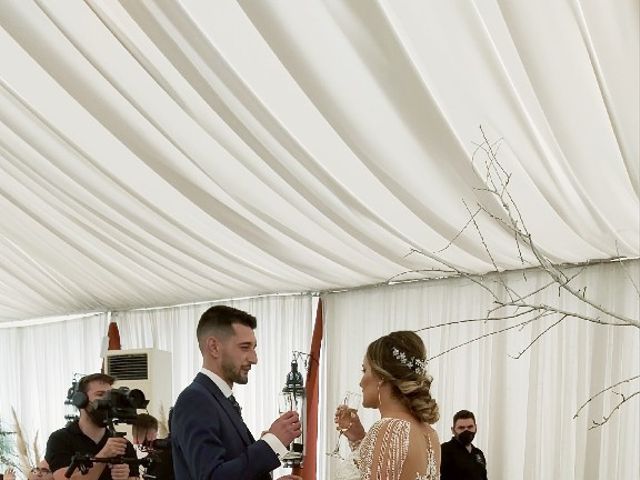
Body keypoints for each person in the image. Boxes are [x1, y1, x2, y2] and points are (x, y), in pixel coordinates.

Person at [171, 305, 302, 480]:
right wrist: (272, 443)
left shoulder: (218, 398)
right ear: (214, 347)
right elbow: (212, 476)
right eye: (245, 347)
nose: (254, 358)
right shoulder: (195, 400)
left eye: (254, 348)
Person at [336, 330, 440, 480]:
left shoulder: (390, 429)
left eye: (364, 370)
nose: (360, 382)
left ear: (381, 376)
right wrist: (358, 439)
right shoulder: (430, 434)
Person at [45, 373, 137, 480]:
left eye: (110, 396)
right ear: (81, 400)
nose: (108, 401)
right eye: (100, 394)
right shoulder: (60, 439)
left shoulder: (123, 445)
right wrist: (103, 456)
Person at [440, 410, 487, 480]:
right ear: (453, 430)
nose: (466, 431)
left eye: (470, 427)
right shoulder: (443, 450)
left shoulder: (478, 453)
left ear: (476, 428)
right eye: (461, 428)